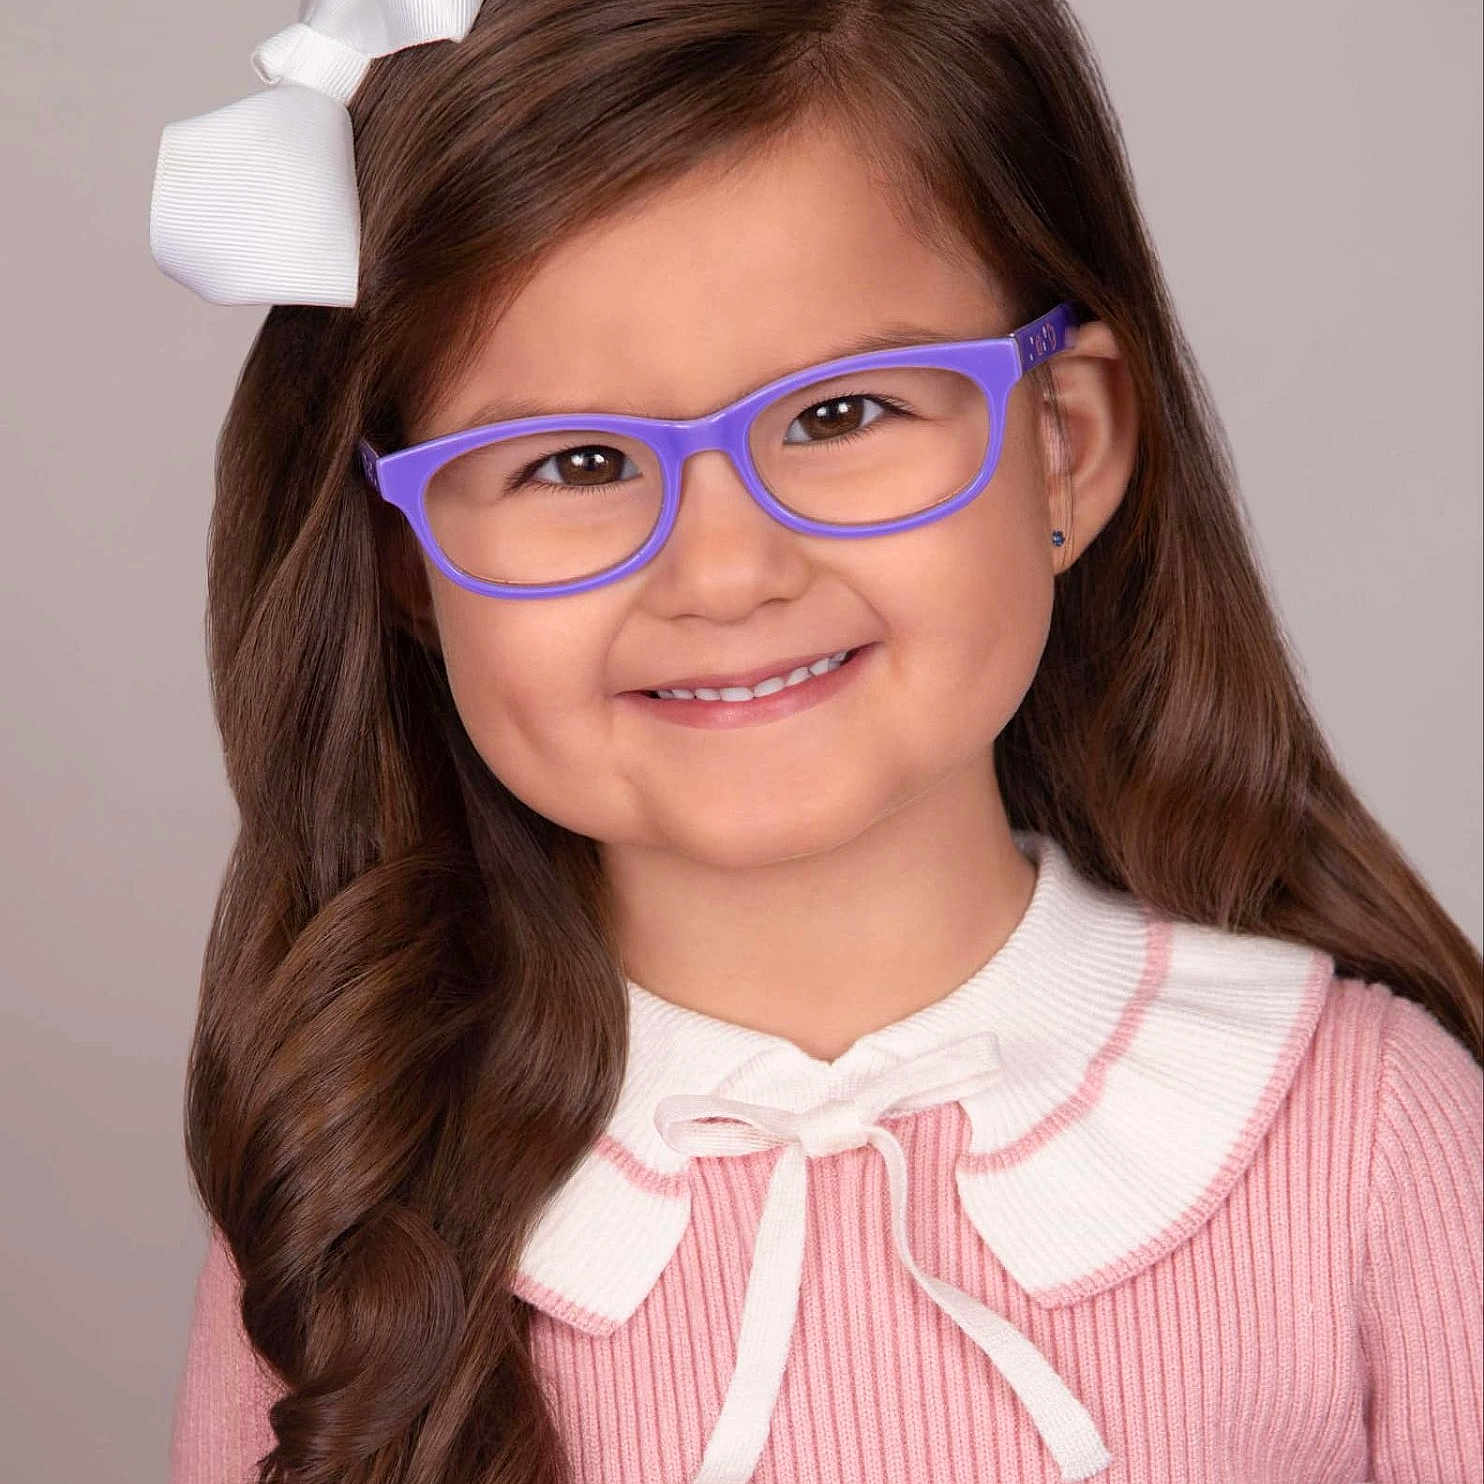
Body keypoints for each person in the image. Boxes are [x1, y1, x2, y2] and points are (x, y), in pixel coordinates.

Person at [152, 2, 1483, 1481]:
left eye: (840, 415)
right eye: (576, 463)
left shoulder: (1372, 1136)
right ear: (405, 560)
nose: (726, 572)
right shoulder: (356, 1196)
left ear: (1068, 440)